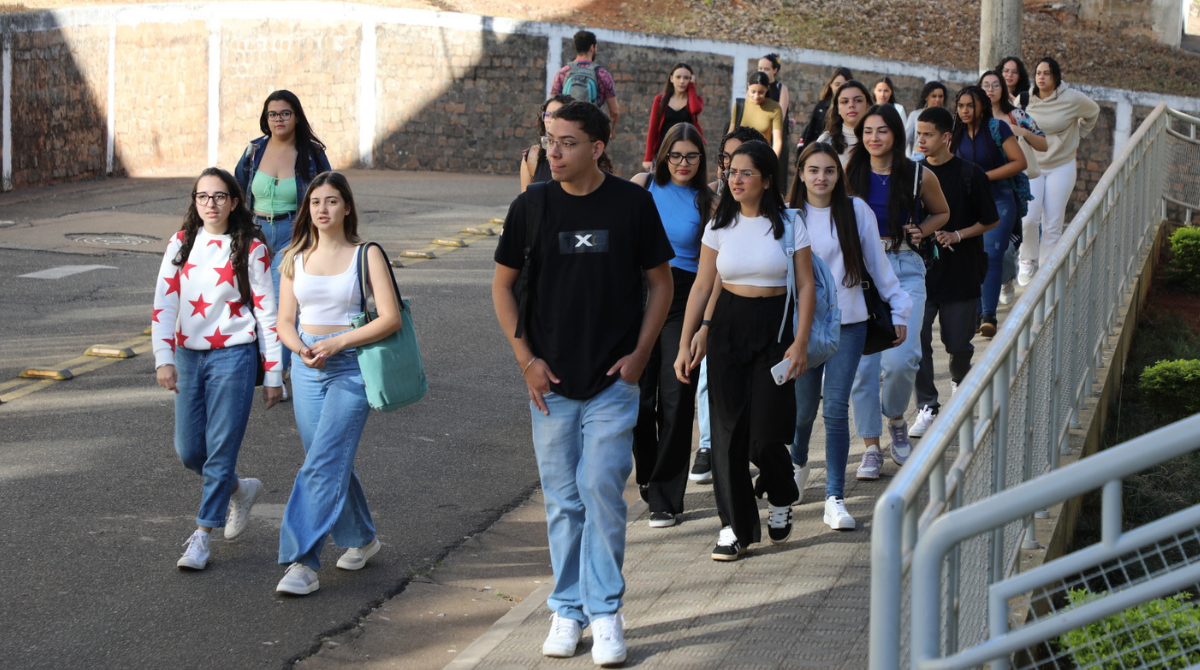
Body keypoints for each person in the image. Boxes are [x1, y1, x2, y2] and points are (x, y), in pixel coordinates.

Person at [492, 101, 674, 665]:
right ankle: (567, 609)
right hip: (549, 382)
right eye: (549, 140)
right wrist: (528, 363)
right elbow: (502, 288)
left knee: (599, 488)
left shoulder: (633, 204)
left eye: (567, 142)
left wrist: (642, 353)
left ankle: (606, 610)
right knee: (563, 501)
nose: (554, 151)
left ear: (598, 147)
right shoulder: (531, 205)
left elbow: (661, 284)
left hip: (613, 380)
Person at [675, 140, 816, 561]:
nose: (734, 180)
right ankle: (732, 526)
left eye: (745, 173)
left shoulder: (791, 223)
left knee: (765, 435)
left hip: (775, 328)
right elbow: (703, 285)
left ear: (767, 180)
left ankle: (781, 492)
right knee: (726, 433)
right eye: (731, 172)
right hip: (728, 327)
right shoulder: (719, 224)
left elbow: (806, 284)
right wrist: (689, 339)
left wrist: (801, 342)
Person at [273, 172, 402, 595]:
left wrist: (338, 342)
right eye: (315, 203)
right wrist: (300, 350)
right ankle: (362, 538)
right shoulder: (294, 255)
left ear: (346, 207)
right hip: (309, 363)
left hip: (350, 363)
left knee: (323, 461)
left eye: (331, 202)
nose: (322, 210)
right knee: (325, 458)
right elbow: (284, 321)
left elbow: (390, 318)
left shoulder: (366, 255)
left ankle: (302, 561)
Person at [153, 167, 283, 571]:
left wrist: (275, 375)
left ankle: (201, 537)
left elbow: (267, 313)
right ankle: (239, 490)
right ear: (195, 202)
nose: (211, 204)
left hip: (234, 356)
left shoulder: (250, 246)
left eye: (220, 196)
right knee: (190, 450)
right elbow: (165, 303)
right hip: (190, 356)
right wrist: (164, 358)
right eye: (203, 197)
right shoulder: (181, 243)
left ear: (235, 201)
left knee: (221, 450)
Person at [785, 143, 908, 531]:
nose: (821, 178)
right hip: (801, 328)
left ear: (839, 176)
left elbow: (878, 263)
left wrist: (899, 307)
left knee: (836, 407)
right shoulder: (788, 218)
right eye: (813, 170)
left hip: (849, 323)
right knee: (803, 411)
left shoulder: (856, 211)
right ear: (801, 174)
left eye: (829, 171)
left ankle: (834, 496)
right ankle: (799, 460)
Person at [846, 104, 948, 479]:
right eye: (868, 131)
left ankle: (897, 420)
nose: (874, 138)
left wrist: (923, 228)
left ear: (895, 135)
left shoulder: (919, 174)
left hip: (904, 267)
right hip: (859, 275)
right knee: (863, 367)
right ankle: (871, 447)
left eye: (882, 131)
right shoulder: (848, 172)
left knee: (903, 358)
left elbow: (942, 213)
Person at [630, 123, 713, 528]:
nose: (683, 163)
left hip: (684, 300)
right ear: (663, 155)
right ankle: (647, 475)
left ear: (702, 159)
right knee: (640, 402)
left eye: (691, 156)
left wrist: (705, 325)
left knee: (677, 399)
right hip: (641, 295)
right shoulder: (642, 185)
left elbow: (714, 268)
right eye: (676, 155)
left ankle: (666, 497)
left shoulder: (707, 201)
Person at [909, 107, 1000, 438]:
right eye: (918, 133)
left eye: (928, 134)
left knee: (957, 344)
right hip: (919, 273)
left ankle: (960, 381)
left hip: (961, 273)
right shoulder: (912, 173)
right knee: (917, 342)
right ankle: (927, 406)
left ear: (946, 137)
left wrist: (958, 234)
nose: (921, 139)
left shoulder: (970, 174)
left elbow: (991, 219)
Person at [234, 90, 331, 389]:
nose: (278, 119)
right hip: (255, 232)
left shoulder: (312, 154)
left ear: (296, 116)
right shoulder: (254, 151)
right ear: (266, 119)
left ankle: (278, 373)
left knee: (277, 305)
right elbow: (237, 192)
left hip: (293, 233)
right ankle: (255, 365)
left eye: (285, 113)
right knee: (248, 301)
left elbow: (327, 195)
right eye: (272, 114)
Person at [690, 125, 769, 486]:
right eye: (728, 162)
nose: (733, 172)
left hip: (763, 315)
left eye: (744, 165)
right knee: (708, 378)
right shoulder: (709, 200)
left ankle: (764, 456)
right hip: (716, 306)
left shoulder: (780, 217)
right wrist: (701, 326)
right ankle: (707, 445)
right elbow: (706, 278)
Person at [950, 86, 1027, 338]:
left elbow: (1019, 162)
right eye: (961, 105)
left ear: (982, 105)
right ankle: (977, 312)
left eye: (970, 105)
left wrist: (982, 176)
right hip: (968, 201)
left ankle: (988, 315)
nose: (964, 110)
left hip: (1000, 197)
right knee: (972, 258)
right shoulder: (954, 132)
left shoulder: (998, 128)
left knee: (991, 253)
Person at [1018, 57, 1099, 287]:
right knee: (1029, 218)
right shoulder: (1024, 99)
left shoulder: (1072, 98)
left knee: (1053, 221)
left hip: (1061, 165)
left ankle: (1047, 270)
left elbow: (1093, 111)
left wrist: (1081, 133)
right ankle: (1027, 259)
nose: (1041, 77)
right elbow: (1013, 123)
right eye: (1038, 73)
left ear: (1056, 77)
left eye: (1047, 73)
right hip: (1031, 164)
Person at [980, 70, 1048, 304]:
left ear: (1003, 90)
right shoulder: (971, 116)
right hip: (978, 189)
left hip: (1009, 189)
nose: (990, 89)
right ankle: (982, 303)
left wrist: (1023, 132)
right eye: (985, 85)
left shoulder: (1016, 115)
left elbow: (1043, 143)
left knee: (1006, 246)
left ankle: (1006, 278)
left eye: (995, 85)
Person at [550, 30, 621, 134]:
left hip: (566, 130)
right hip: (591, 131)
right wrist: (611, 129)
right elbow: (614, 111)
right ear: (592, 47)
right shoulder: (602, 74)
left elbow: (551, 105)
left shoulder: (563, 73)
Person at [643, 63, 704, 171]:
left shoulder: (695, 100)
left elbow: (695, 110)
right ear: (671, 78)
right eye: (678, 77)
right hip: (664, 148)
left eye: (686, 78)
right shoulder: (660, 100)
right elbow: (652, 128)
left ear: (691, 80)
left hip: (686, 151)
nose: (682, 81)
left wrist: (691, 88)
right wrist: (648, 158)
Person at [522, 95, 574, 192]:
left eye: (557, 115)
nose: (551, 120)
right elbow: (526, 202)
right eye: (548, 115)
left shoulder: (580, 153)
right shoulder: (532, 155)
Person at [729, 72, 784, 158]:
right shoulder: (740, 105)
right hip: (739, 156)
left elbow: (777, 141)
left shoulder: (775, 108)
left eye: (761, 92)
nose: (756, 96)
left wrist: (773, 161)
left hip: (761, 157)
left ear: (768, 88)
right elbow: (731, 134)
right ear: (748, 86)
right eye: (753, 92)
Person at [817, 79, 872, 165]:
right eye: (845, 102)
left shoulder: (877, 141)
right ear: (837, 108)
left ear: (868, 105)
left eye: (858, 100)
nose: (851, 105)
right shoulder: (826, 143)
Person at [758, 53, 792, 186]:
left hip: (776, 134)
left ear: (775, 70)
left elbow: (781, 115)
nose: (763, 72)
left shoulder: (781, 88)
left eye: (766, 69)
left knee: (777, 177)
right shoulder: (755, 89)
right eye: (760, 68)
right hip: (758, 134)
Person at [800, 67, 852, 149]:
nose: (840, 88)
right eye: (837, 84)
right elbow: (811, 131)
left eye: (844, 85)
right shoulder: (821, 106)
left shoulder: (852, 108)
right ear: (831, 85)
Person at [905, 81, 947, 158]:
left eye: (940, 96)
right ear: (926, 97)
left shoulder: (946, 117)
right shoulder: (915, 115)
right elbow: (905, 140)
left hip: (939, 157)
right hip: (919, 155)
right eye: (934, 96)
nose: (937, 99)